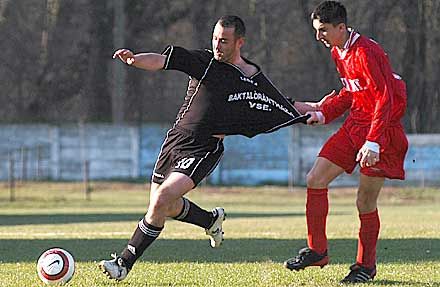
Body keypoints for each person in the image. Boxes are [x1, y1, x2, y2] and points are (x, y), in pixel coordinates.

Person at [99, 15, 313, 281]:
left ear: (240, 42)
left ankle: (123, 263)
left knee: (162, 198)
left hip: (205, 147)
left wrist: (316, 109)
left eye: (224, 40)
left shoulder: (252, 77)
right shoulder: (204, 62)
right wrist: (135, 60)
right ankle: (211, 221)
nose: (217, 45)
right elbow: (163, 61)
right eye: (215, 39)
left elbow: (280, 103)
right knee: (164, 205)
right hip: (176, 140)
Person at [283, 1, 408, 284]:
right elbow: (351, 94)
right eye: (317, 30)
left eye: (323, 30)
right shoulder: (339, 51)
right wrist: (323, 112)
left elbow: (386, 98)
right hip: (355, 126)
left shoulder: (366, 52)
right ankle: (317, 250)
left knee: (364, 201)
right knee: (315, 178)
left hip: (382, 130)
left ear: (341, 27)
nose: (319, 37)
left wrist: (374, 142)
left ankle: (365, 266)